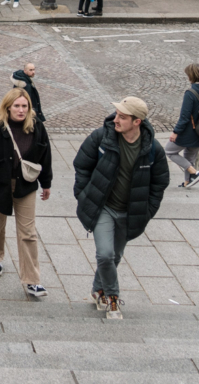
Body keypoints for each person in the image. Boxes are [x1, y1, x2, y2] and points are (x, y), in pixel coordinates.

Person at [73, 96, 170, 319]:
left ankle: (98, 290)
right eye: (117, 114)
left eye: (122, 117)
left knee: (114, 256)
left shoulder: (153, 149)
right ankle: (112, 298)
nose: (115, 119)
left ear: (137, 122)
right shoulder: (102, 137)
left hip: (130, 212)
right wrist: (84, 196)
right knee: (105, 254)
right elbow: (81, 165)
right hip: (103, 208)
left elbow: (159, 183)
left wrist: (147, 211)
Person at [0, 87, 52, 299]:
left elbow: (45, 155)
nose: (21, 110)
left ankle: (32, 281)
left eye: (25, 106)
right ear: (8, 106)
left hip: (25, 186)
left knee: (28, 233)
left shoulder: (37, 127)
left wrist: (46, 183)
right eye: (17, 106)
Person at [167, 63, 199, 189]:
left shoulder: (190, 93)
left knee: (170, 151)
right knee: (190, 157)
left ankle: (195, 173)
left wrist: (176, 132)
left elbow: (185, 116)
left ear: (190, 76)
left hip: (189, 132)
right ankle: (188, 181)